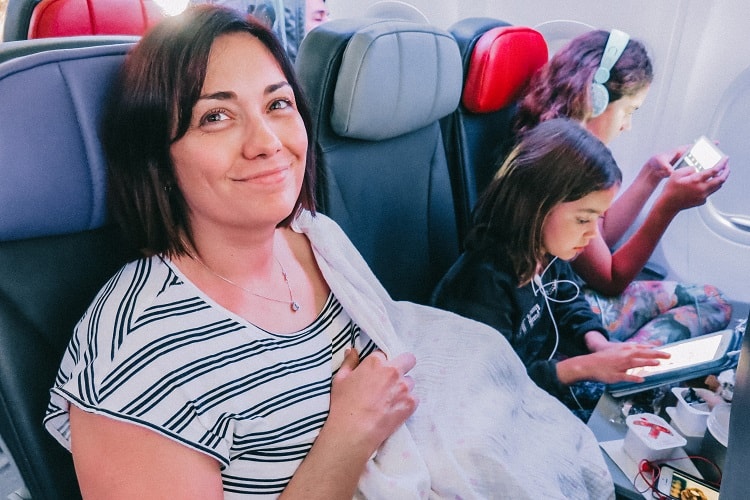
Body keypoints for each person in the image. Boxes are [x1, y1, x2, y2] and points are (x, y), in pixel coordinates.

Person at [43, 6, 615, 498]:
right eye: (214, 116)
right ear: (156, 157)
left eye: (278, 104)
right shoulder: (133, 355)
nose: (268, 143)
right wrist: (349, 437)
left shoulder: (313, 237)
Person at [431, 118, 671, 419]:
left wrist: (597, 343)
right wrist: (584, 368)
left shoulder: (547, 251)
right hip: (514, 398)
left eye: (596, 220)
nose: (592, 234)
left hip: (552, 370)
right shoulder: (483, 286)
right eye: (583, 219)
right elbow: (496, 383)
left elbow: (568, 301)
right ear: (536, 206)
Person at [513, 30, 732, 346]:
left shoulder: (559, 143)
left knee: (712, 299)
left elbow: (600, 238)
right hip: (556, 311)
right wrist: (668, 205)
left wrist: (651, 175)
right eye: (629, 111)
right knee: (711, 303)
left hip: (568, 294)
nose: (627, 125)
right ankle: (613, 375)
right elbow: (610, 279)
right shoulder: (558, 164)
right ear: (595, 98)